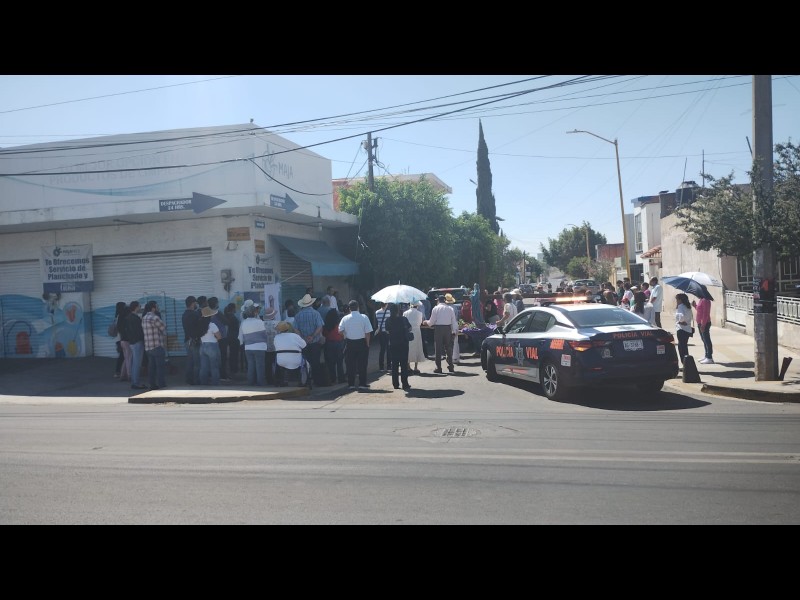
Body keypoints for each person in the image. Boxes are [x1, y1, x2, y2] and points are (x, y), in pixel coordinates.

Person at [338, 299, 373, 390]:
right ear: (358, 307)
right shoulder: (364, 317)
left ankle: (351, 384)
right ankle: (362, 383)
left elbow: (340, 330)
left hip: (350, 343)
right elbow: (368, 332)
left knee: (350, 365)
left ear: (349, 308)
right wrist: (367, 343)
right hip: (362, 342)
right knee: (362, 364)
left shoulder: (345, 318)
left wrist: (345, 335)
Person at [294, 293, 327, 387]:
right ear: (311, 303)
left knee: (305, 363)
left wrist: (302, 338)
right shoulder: (316, 313)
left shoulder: (298, 315)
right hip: (315, 342)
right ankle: (317, 381)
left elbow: (296, 329)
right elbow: (320, 327)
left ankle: (306, 381)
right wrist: (312, 336)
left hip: (303, 343)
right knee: (315, 362)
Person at [423, 294, 458, 374]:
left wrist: (426, 322)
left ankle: (438, 367)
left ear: (438, 300)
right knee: (448, 348)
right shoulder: (450, 309)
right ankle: (451, 366)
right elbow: (454, 321)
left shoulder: (435, 308)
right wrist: (455, 330)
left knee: (438, 348)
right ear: (445, 301)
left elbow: (431, 322)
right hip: (448, 328)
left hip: (438, 329)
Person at [238, 303, 268, 386]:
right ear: (255, 312)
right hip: (260, 347)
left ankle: (250, 382)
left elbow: (240, 336)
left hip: (248, 347)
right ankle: (260, 383)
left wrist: (242, 343)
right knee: (260, 366)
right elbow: (264, 334)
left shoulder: (243, 323)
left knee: (250, 365)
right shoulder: (259, 322)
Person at [385, 303, 412, 391]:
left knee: (394, 365)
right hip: (403, 344)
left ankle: (395, 384)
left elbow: (387, 331)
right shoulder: (403, 319)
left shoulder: (388, 320)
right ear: (398, 311)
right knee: (404, 365)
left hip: (393, 344)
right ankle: (405, 384)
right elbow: (410, 328)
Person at [142, 300, 167, 390]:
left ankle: (152, 384)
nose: (158, 308)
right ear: (153, 308)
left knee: (151, 367)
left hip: (148, 346)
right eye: (157, 306)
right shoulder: (155, 317)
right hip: (157, 345)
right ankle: (161, 384)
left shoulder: (144, 318)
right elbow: (163, 327)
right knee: (160, 367)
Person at [273, 320, 307, 386]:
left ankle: (283, 381)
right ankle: (301, 380)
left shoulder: (276, 337)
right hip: (296, 361)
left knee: (282, 362)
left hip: (281, 361)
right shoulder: (295, 336)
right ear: (288, 328)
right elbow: (304, 345)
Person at [124, 300, 146, 390]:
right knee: (137, 363)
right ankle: (136, 383)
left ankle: (134, 381)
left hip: (132, 342)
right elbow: (139, 331)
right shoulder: (136, 318)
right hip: (137, 342)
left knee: (134, 363)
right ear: (136, 307)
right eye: (139, 306)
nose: (140, 308)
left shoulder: (128, 318)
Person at [198, 305, 222, 386]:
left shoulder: (200, 324)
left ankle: (203, 384)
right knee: (214, 367)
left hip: (202, 346)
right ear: (210, 316)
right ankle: (215, 384)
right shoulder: (212, 325)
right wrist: (215, 339)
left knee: (203, 367)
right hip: (212, 346)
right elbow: (219, 336)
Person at [322, 306, 346, 384]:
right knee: (339, 362)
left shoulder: (326, 325)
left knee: (331, 363)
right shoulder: (339, 324)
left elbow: (324, 334)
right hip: (339, 343)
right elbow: (342, 334)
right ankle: (341, 378)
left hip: (329, 344)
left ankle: (333, 379)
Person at [181, 295, 201, 385]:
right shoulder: (194, 314)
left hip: (187, 340)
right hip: (194, 340)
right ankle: (196, 380)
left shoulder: (184, 314)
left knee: (190, 361)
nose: (196, 305)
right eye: (195, 303)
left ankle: (189, 379)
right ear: (193, 303)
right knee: (197, 363)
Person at [404, 300, 426, 375]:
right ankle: (416, 367)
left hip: (408, 332)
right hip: (417, 332)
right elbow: (420, 323)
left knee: (408, 348)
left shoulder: (405, 313)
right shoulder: (419, 313)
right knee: (417, 348)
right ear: (417, 305)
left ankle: (408, 366)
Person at [261, 305, 280, 385]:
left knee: (267, 363)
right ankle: (277, 378)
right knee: (277, 363)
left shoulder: (261, 324)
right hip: (276, 347)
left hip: (265, 347)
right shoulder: (277, 323)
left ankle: (269, 379)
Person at [693, 296, 714, 364]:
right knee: (704, 340)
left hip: (704, 323)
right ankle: (706, 355)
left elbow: (706, 313)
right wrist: (695, 305)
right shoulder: (701, 300)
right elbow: (700, 310)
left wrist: (703, 324)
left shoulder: (705, 300)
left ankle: (709, 357)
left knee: (706, 340)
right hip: (700, 323)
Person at [674, 293, 694, 365]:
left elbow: (681, 316)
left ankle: (684, 363)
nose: (676, 301)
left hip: (681, 329)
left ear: (680, 300)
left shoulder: (681, 306)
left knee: (681, 348)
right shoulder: (688, 306)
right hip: (687, 329)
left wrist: (681, 321)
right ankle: (687, 363)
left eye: (677, 299)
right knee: (684, 347)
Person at [223, 302, 240, 379]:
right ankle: (234, 369)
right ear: (233, 309)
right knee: (234, 354)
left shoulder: (227, 316)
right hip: (234, 337)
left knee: (232, 354)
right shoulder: (232, 317)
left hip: (229, 336)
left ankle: (232, 369)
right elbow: (236, 328)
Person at [112, 301, 128, 380]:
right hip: (121, 339)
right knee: (122, 356)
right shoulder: (122, 316)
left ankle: (119, 371)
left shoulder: (117, 316)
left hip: (118, 339)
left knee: (122, 356)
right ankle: (119, 371)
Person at [444, 293, 462, 365]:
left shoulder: (446, 308)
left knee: (448, 342)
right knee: (455, 342)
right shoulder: (454, 307)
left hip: (448, 325)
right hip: (455, 324)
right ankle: (456, 358)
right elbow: (457, 316)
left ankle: (450, 357)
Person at [374, 301, 391, 372]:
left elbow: (377, 323)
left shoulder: (377, 312)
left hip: (381, 332)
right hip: (387, 332)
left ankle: (381, 367)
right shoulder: (389, 312)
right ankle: (389, 367)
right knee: (389, 350)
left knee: (382, 350)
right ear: (386, 304)